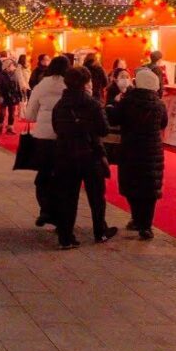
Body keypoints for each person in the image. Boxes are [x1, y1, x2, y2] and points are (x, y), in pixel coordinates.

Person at [51, 66, 118, 249]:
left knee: (68, 197)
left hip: (65, 154)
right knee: (96, 196)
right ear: (86, 83)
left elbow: (56, 128)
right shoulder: (93, 104)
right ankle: (100, 231)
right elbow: (104, 130)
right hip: (90, 154)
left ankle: (66, 237)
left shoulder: (60, 105)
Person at [107, 69, 168, 240]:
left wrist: (111, 106)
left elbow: (115, 118)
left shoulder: (128, 101)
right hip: (152, 151)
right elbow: (163, 123)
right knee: (150, 188)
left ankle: (136, 218)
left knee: (131, 184)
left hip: (131, 149)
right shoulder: (159, 104)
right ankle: (146, 226)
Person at [21, 55, 70, 228]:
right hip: (64, 137)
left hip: (43, 138)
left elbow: (30, 115)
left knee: (43, 176)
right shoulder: (70, 86)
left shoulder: (41, 86)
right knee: (62, 177)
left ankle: (45, 209)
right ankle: (60, 214)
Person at [0, 59, 23, 133]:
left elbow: (17, 85)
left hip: (13, 96)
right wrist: (0, 96)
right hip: (4, 96)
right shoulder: (1, 75)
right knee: (2, 112)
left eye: (12, 65)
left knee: (12, 112)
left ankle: (10, 127)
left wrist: (20, 95)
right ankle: (0, 125)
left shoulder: (15, 74)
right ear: (6, 67)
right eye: (11, 65)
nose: (13, 67)